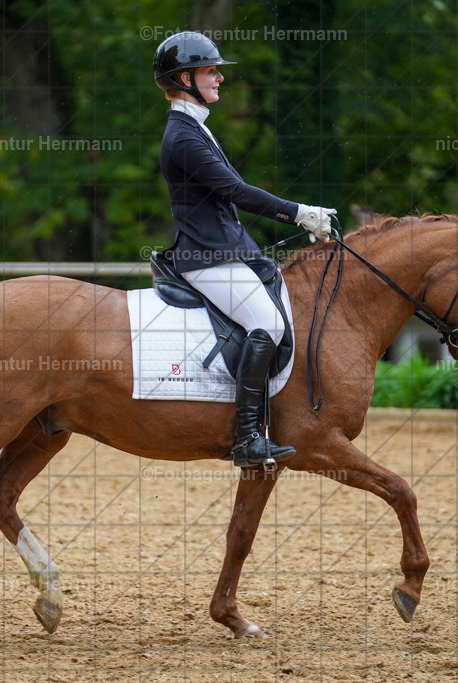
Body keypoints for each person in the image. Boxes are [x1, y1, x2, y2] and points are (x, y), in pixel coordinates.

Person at [154, 31, 336, 469]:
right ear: (185, 79)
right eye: (210, 71)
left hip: (225, 251)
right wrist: (299, 213)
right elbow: (236, 191)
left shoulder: (195, 127)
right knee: (268, 324)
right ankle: (247, 437)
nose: (219, 78)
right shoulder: (183, 137)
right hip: (205, 257)